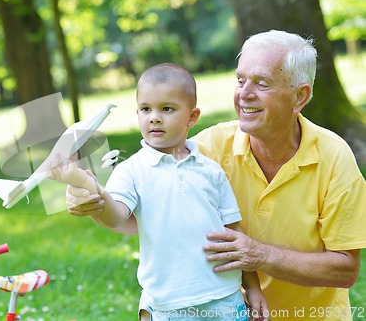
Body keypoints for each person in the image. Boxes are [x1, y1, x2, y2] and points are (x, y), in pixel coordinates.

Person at [66, 30, 366, 321]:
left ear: (299, 96)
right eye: (240, 80)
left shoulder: (333, 158)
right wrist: (93, 200)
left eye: (261, 83)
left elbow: (345, 270)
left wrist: (259, 255)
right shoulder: (205, 150)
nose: (244, 94)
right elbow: (137, 215)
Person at [49, 63, 268, 321]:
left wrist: (252, 287)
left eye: (167, 109)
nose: (154, 117)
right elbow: (115, 215)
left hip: (224, 298)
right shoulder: (132, 170)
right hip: (169, 305)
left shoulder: (211, 169)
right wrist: (87, 186)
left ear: (192, 117)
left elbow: (234, 233)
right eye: (146, 109)